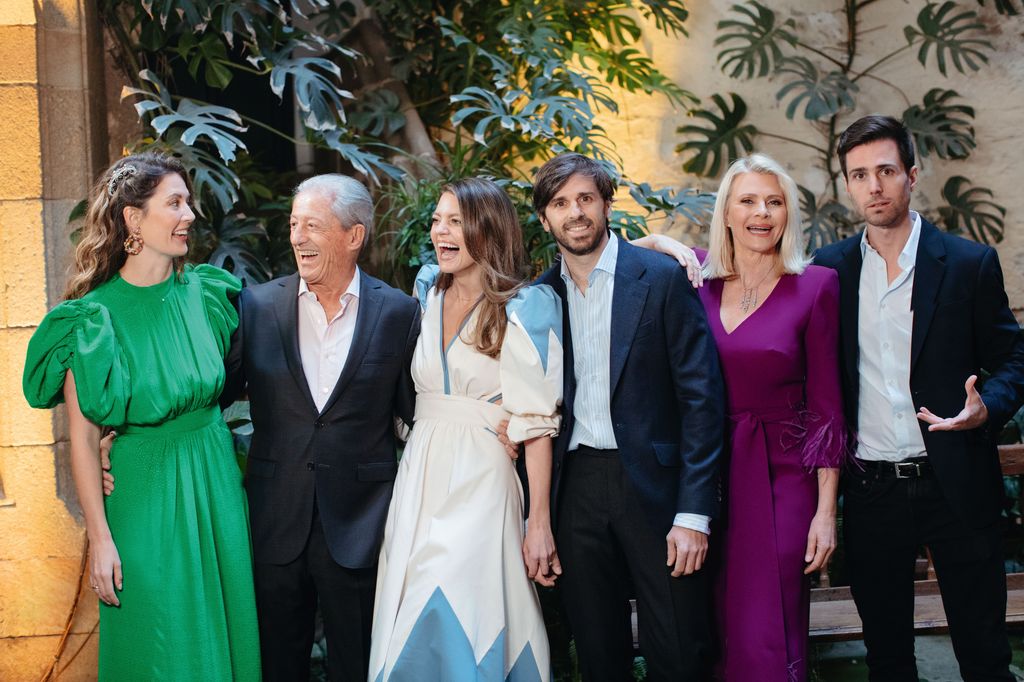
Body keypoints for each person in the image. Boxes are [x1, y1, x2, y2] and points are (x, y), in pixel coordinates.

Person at [21, 153, 261, 679]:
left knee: (224, 637)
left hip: (217, 485)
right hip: (145, 497)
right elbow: (82, 440)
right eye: (174, 203)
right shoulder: (93, 320)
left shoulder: (207, 295)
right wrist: (101, 538)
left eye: (189, 202)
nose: (189, 215)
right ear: (133, 220)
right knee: (161, 645)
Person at [814, 115, 1024, 681]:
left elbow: (1014, 358)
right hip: (873, 490)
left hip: (955, 482)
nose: (874, 186)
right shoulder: (828, 272)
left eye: (885, 171)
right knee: (887, 661)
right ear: (848, 185)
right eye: (859, 175)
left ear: (911, 175)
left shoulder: (965, 263)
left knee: (984, 656)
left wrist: (987, 409)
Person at [530, 153, 725, 681]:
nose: (575, 213)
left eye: (585, 199)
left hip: (656, 489)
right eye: (560, 203)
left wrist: (693, 513)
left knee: (681, 648)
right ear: (545, 218)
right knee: (597, 653)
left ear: (607, 204)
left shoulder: (661, 279)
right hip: (576, 491)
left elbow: (702, 401)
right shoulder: (539, 297)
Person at [651, 153, 845, 680]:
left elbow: (828, 409)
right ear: (727, 214)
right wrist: (669, 243)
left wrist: (826, 513)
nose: (763, 213)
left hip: (784, 474)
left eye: (774, 201)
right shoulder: (696, 277)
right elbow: (623, 252)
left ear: (787, 214)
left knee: (769, 615)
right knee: (711, 619)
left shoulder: (816, 285)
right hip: (705, 476)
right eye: (749, 201)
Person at [219, 174, 421, 682]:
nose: (297, 237)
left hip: (360, 524)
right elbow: (211, 399)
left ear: (354, 236)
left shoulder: (399, 312)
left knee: (358, 665)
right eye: (293, 225)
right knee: (278, 665)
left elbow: (418, 414)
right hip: (275, 520)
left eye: (312, 225)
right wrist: (121, 439)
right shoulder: (257, 306)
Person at [369, 178, 562, 681]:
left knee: (458, 607)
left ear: (487, 227)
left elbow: (537, 425)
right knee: (408, 603)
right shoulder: (427, 290)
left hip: (482, 479)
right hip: (419, 476)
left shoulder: (524, 306)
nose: (441, 231)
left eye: (456, 221)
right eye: (437, 220)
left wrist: (537, 523)